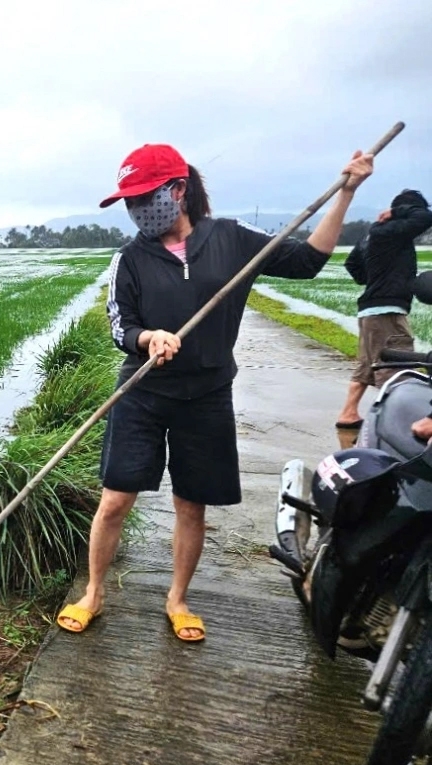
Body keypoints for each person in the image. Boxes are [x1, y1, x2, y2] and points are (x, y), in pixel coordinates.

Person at [56, 143, 374, 642]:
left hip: (206, 394)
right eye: (129, 201)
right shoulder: (130, 258)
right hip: (144, 391)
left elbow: (308, 260)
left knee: (191, 503)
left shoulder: (230, 238)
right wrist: (148, 338)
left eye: (145, 196)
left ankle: (177, 599)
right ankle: (93, 592)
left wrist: (346, 194)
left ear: (178, 190)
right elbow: (121, 324)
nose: (137, 210)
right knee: (116, 498)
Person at [335, 190, 432, 429]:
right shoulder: (393, 231)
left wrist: (375, 278)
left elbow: (352, 264)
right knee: (396, 367)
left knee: (367, 365)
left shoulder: (371, 233)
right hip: (387, 310)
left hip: (369, 310)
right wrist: (399, 212)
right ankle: (396, 425)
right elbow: (426, 217)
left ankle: (348, 413)